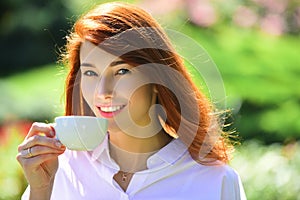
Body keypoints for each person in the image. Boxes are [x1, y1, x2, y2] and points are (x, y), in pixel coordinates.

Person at [16, 2, 246, 199]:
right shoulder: (59, 169)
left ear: (158, 77)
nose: (103, 91)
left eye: (122, 71)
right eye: (90, 73)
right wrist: (40, 191)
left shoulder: (215, 181)